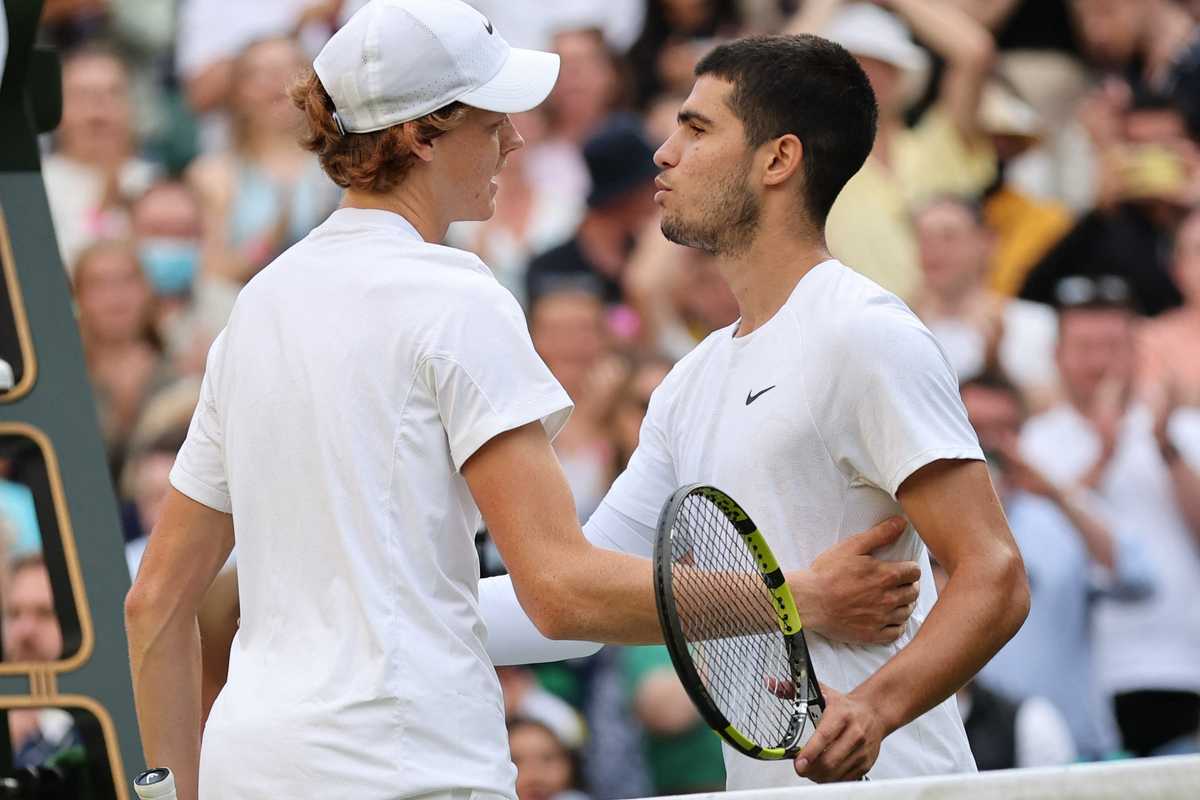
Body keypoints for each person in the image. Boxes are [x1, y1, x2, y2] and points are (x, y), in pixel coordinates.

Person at [124, 4, 915, 798]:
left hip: (248, 767)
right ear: (420, 135)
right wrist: (794, 599)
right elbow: (560, 589)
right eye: (491, 116)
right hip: (408, 769)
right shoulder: (457, 296)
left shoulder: (257, 308)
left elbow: (156, 603)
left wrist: (168, 791)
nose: (514, 138)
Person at [482, 34, 1029, 786]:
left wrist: (872, 709)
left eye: (697, 129)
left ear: (778, 160)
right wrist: (350, 617)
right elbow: (571, 602)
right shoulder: (690, 380)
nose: (664, 153)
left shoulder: (864, 332)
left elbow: (994, 573)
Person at [1019, 277, 1200, 758]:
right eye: (1084, 347)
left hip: (1179, 666)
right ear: (1057, 354)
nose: (1098, 363)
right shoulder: (1035, 444)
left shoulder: (1178, 433)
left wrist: (1164, 447)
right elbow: (1038, 538)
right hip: (1080, 680)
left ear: (1138, 352)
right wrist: (1103, 458)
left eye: (1112, 346)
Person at [963, 373, 1155, 759]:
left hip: (1078, 753)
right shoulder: (926, 525)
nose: (988, 444)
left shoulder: (1057, 515)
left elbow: (1138, 578)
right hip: (977, 753)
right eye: (974, 429)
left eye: (1003, 431)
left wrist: (1055, 493)